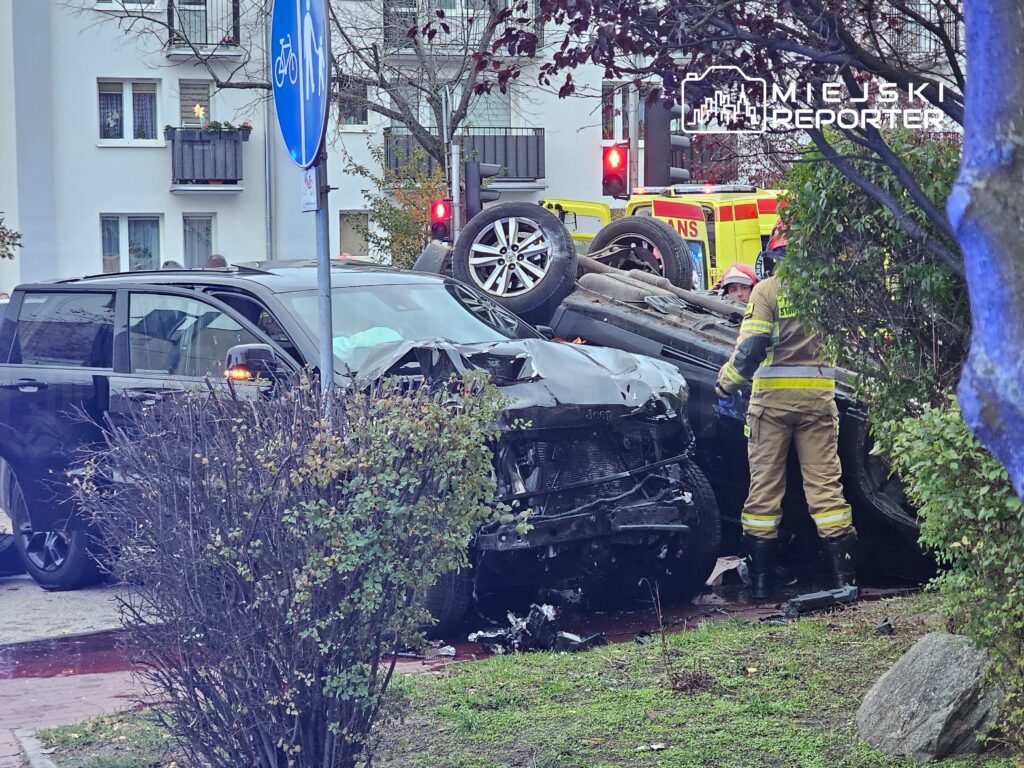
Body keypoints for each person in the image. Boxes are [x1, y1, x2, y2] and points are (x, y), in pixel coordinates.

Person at [715, 252, 856, 601]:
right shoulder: (825, 290)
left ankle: (761, 585)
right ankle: (844, 581)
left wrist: (726, 383)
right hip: (818, 403)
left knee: (764, 490)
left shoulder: (767, 291)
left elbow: (751, 348)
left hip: (772, 407)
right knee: (826, 489)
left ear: (775, 258)